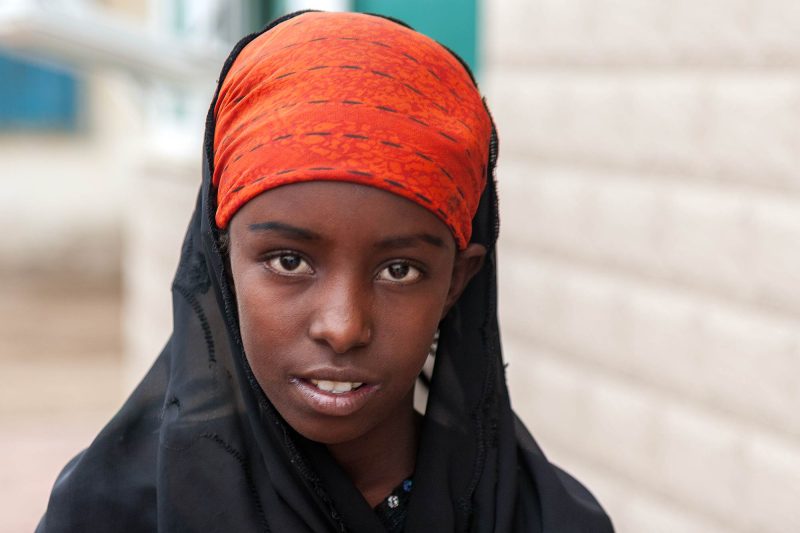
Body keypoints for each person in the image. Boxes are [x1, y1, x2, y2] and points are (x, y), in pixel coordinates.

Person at [38, 10, 613, 532]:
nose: (342, 327)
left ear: (456, 284)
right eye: (289, 262)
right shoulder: (112, 514)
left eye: (400, 271)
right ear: (221, 261)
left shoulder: (546, 521)